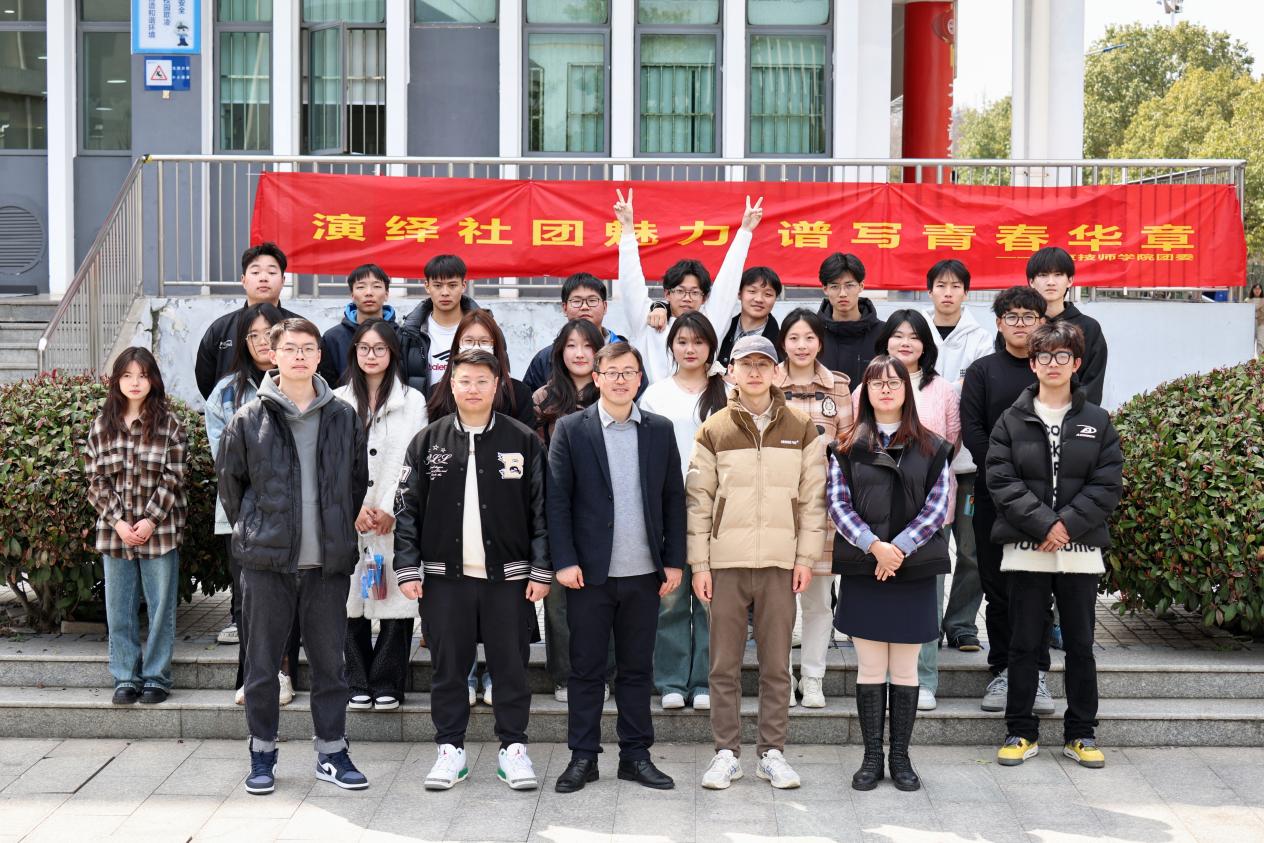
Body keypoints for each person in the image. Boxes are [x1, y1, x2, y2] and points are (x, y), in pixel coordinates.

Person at [216, 317, 369, 796]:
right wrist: (257, 530)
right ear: (273, 354)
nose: (299, 355)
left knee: (330, 667)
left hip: (326, 566)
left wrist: (336, 530)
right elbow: (231, 487)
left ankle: (332, 753)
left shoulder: (343, 416)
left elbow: (355, 482)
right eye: (290, 348)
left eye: (308, 348)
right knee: (262, 667)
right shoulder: (248, 418)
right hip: (267, 565)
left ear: (320, 356)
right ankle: (262, 755)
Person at [393, 348, 551, 791]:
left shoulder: (523, 440)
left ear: (498, 385)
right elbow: (406, 508)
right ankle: (450, 750)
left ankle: (513, 749)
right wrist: (407, 566)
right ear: (451, 384)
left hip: (510, 579)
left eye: (483, 380)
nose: (474, 389)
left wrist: (541, 568)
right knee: (448, 669)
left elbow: (542, 510)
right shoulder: (428, 441)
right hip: (445, 579)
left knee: (511, 668)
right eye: (465, 380)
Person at [688, 335, 826, 791]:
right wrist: (699, 564)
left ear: (777, 372)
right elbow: (699, 500)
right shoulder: (714, 428)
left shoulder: (802, 427)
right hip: (726, 562)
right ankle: (726, 753)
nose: (754, 372)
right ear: (731, 371)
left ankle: (772, 752)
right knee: (723, 665)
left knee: (776, 665)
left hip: (780, 563)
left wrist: (805, 557)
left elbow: (813, 500)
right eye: (745, 364)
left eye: (762, 364)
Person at [548, 342, 685, 794]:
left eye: (629, 372)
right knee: (586, 670)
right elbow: (557, 500)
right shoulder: (572, 429)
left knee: (636, 669)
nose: (621, 380)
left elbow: (673, 498)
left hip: (644, 573)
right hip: (589, 575)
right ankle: (583, 757)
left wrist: (674, 560)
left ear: (640, 378)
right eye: (612, 372)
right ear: (598, 378)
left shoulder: (659, 430)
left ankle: (636, 756)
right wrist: (564, 561)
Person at [987, 322, 1122, 769]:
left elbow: (1107, 484)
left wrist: (1066, 525)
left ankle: (1081, 733)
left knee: (1081, 644)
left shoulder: (1097, 421)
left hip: (1079, 548)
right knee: (1024, 642)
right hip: (1028, 546)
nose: (1053, 364)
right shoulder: (1011, 419)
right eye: (1044, 356)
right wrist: (1045, 524)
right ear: (1033, 364)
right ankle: (1020, 731)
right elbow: (1001, 481)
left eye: (1062, 356)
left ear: (1076, 363)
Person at [828, 355, 954, 793]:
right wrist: (875, 547)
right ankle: (870, 759)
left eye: (894, 382)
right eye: (876, 383)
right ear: (865, 391)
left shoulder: (933, 446)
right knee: (869, 666)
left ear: (906, 390)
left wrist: (897, 548)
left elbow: (937, 507)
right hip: (866, 567)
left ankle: (900, 758)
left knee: (904, 668)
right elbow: (837, 504)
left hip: (912, 568)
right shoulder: (846, 447)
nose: (885, 389)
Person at [960, 287, 1054, 716]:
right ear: (998, 323)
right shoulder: (982, 371)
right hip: (992, 495)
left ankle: (1037, 673)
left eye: (1028, 316)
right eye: (1012, 316)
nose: (1020, 324)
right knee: (997, 587)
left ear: (1042, 322)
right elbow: (972, 430)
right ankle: (1001, 669)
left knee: (1038, 587)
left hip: (1045, 497)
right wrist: (1005, 477)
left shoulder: (1051, 370)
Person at [867, 311, 961, 712]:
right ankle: (882, 676)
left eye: (914, 336)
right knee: (881, 599)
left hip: (928, 511)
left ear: (926, 344)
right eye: (897, 335)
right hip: (874, 516)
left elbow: (950, 442)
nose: (905, 342)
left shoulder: (942, 390)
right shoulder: (866, 385)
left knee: (925, 599)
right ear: (885, 341)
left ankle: (923, 678)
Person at [205, 302, 298, 706]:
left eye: (269, 334)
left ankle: (284, 672)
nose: (262, 342)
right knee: (247, 599)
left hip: (293, 513)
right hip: (242, 513)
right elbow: (226, 459)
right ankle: (251, 675)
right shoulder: (226, 392)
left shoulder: (303, 384)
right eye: (253, 335)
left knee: (288, 596)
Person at [333, 319, 427, 711]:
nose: (371, 355)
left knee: (397, 600)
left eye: (380, 349)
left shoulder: (413, 401)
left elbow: (413, 459)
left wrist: (389, 506)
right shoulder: (337, 400)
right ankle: (356, 679)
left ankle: (388, 681)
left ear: (393, 353)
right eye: (364, 348)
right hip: (349, 518)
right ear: (354, 352)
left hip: (395, 518)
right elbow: (330, 461)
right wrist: (353, 506)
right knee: (350, 599)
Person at [86, 348, 187, 706]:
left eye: (142, 375)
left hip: (160, 533)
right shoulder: (102, 426)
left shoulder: (169, 425)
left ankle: (157, 677)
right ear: (116, 380)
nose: (134, 382)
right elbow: (95, 480)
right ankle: (126, 677)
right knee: (119, 609)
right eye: (127, 375)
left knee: (161, 609)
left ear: (153, 380)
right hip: (115, 535)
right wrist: (118, 522)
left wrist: (149, 520)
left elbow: (174, 477)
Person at [639, 311, 729, 712]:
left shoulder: (729, 392)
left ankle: (705, 680)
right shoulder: (655, 395)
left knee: (712, 598)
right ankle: (671, 679)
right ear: (671, 346)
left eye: (698, 341)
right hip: (667, 506)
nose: (690, 349)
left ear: (711, 346)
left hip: (719, 507)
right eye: (682, 342)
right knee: (671, 597)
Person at [773, 308, 852, 709]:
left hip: (822, 508)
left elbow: (849, 446)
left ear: (820, 342)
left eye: (809, 338)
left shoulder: (839, 387)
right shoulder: (767, 381)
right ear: (783, 342)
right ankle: (781, 680)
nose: (801, 346)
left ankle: (814, 677)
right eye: (793, 338)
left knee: (819, 599)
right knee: (778, 601)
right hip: (775, 507)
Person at [531, 318, 607, 703]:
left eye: (588, 346)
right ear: (560, 352)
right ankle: (563, 675)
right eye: (572, 346)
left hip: (602, 507)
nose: (580, 353)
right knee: (558, 598)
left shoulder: (610, 393)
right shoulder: (543, 398)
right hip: (555, 504)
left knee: (600, 596)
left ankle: (601, 672)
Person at [613, 189, 761, 382]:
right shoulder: (647, 321)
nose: (687, 298)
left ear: (704, 297)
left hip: (703, 400)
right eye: (680, 291)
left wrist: (745, 232)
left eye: (694, 292)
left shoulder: (710, 321)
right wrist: (627, 229)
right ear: (667, 294)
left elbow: (728, 279)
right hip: (651, 401)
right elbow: (630, 282)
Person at [922, 259, 992, 655]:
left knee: (971, 548)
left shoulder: (981, 339)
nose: (947, 293)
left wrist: (941, 390)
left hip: (967, 464)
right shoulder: (916, 331)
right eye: (941, 285)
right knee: (931, 548)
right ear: (929, 290)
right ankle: (927, 624)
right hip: (923, 465)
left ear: (966, 292)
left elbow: (974, 393)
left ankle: (962, 624)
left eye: (955, 286)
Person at [195, 242, 336, 398]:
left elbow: (322, 374)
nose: (263, 278)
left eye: (271, 272)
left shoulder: (300, 328)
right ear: (243, 280)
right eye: (255, 272)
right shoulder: (221, 329)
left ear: (283, 280)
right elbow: (205, 380)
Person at [425, 310, 536, 431]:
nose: (476, 348)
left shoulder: (519, 394)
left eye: (484, 341)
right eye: (468, 341)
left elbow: (526, 439)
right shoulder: (436, 394)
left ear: (496, 346)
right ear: (457, 345)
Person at [1027, 246, 1108, 405]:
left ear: (1070, 280)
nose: (1051, 282)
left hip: (1074, 415)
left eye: (1058, 275)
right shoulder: (1020, 327)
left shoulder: (1089, 328)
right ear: (1031, 282)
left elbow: (1092, 384)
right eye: (1043, 275)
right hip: (1023, 414)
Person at [522, 273, 625, 391]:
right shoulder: (545, 359)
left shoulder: (624, 353)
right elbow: (527, 400)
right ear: (564, 308)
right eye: (576, 301)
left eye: (592, 300)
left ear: (605, 307)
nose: (584, 307)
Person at [399, 254, 480, 396]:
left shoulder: (484, 329)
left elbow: (499, 376)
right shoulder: (410, 333)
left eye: (452, 285)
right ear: (427, 286)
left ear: (463, 286)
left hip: (471, 406)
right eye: (437, 285)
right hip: (423, 407)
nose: (445, 293)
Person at [322, 264, 398, 385]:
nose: (369, 292)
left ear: (387, 294)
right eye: (361, 287)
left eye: (376, 286)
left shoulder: (401, 335)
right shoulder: (332, 338)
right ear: (352, 295)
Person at [815, 252, 884, 383]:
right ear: (825, 289)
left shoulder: (883, 333)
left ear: (861, 286)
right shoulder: (813, 333)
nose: (842, 293)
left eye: (849, 285)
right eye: (834, 286)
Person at [716, 266, 783, 366]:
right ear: (739, 293)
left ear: (775, 298)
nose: (759, 299)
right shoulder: (720, 330)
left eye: (768, 294)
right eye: (752, 291)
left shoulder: (782, 342)